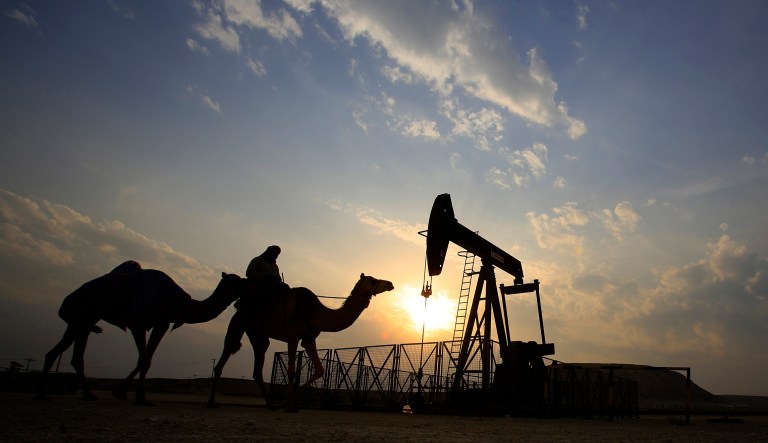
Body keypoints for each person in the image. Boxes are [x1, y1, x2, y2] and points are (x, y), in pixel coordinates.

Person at [236, 245, 287, 310]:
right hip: (257, 289)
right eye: (274, 253)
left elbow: (278, 278)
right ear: (269, 252)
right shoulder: (257, 260)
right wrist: (264, 276)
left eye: (277, 254)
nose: (276, 256)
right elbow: (249, 273)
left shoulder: (275, 266)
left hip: (272, 289)